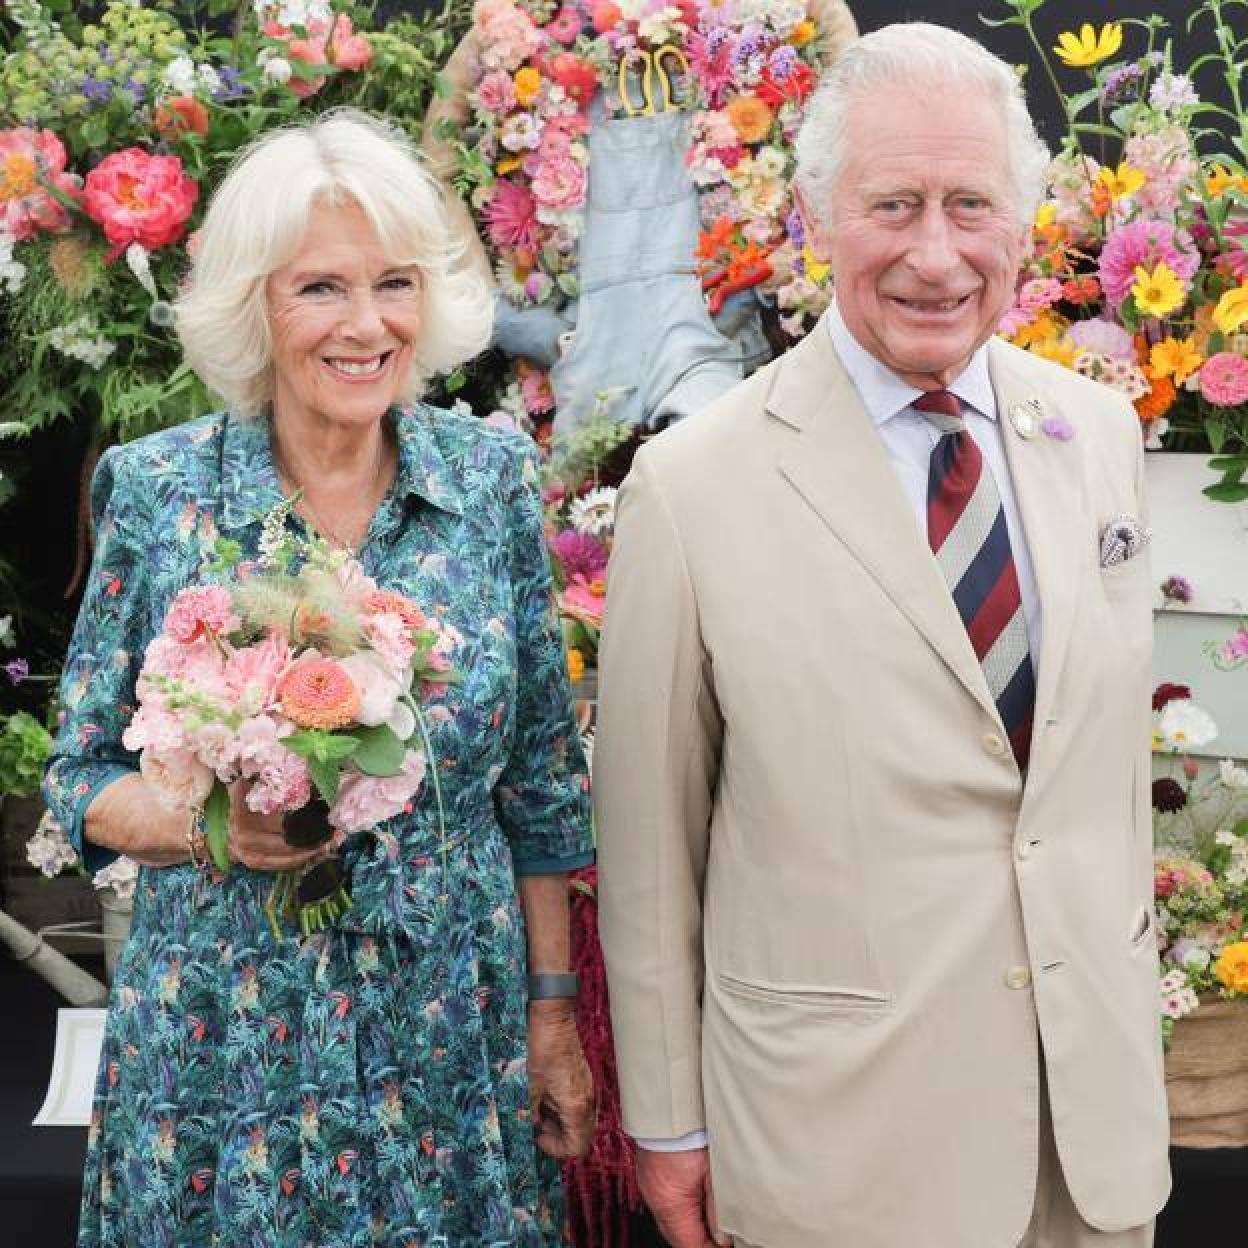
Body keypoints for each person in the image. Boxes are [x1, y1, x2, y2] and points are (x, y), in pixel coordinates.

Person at [595, 23, 1170, 1248]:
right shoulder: (691, 490)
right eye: (892, 204)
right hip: (836, 1159)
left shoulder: (1101, 435)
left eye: (971, 205)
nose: (935, 252)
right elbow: (647, 847)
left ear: (1022, 221)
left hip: (1092, 1149)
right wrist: (669, 1126)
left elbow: (1094, 784)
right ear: (816, 217)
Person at [43, 109, 595, 1247]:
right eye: (321, 290)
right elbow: (80, 777)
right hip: (226, 1048)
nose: (366, 325)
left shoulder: (489, 478)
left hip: (454, 1033)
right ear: (255, 304)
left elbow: (540, 780)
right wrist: (204, 824)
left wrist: (552, 1019)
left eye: (394, 284)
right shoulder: (160, 492)